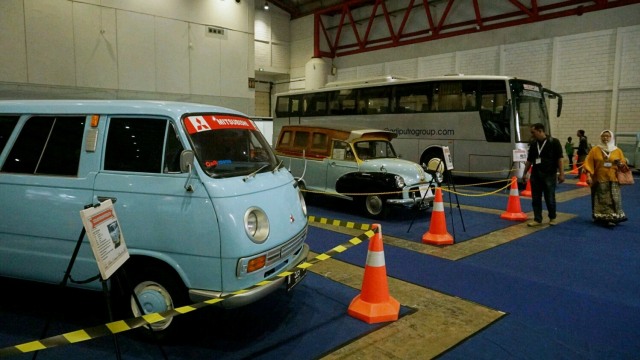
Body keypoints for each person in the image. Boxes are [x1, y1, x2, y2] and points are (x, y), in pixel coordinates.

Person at [522, 123, 565, 227]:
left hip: (549, 174)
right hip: (536, 175)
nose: (532, 135)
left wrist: (562, 174)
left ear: (540, 131)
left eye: (533, 132)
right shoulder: (533, 144)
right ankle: (537, 219)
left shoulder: (554, 142)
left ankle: (552, 217)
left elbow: (560, 159)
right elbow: (529, 160)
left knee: (549, 197)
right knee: (535, 198)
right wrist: (524, 173)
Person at [583, 130, 628, 227]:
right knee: (599, 199)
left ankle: (611, 218)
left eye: (607, 136)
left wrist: (619, 163)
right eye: (603, 136)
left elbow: (624, 165)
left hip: (613, 179)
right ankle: (599, 216)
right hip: (599, 179)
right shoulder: (595, 150)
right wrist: (588, 176)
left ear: (611, 137)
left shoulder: (617, 150)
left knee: (613, 199)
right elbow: (588, 163)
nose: (605, 138)